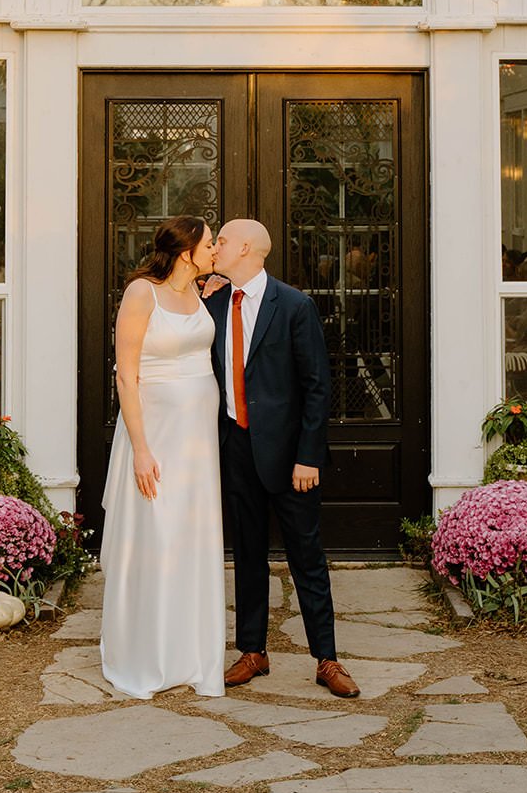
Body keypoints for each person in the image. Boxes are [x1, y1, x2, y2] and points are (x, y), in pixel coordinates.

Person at [204, 218, 360, 699]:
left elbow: (318, 387)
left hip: (291, 460)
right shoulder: (209, 303)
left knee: (306, 558)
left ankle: (327, 659)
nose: (216, 248)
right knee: (247, 555)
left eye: (223, 241)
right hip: (234, 450)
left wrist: (308, 456)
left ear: (247, 247)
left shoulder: (294, 305)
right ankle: (252, 651)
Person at [99, 215, 225, 699]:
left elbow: (240, 275)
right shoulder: (140, 294)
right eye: (209, 244)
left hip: (198, 443)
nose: (215, 250)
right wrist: (142, 450)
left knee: (192, 538)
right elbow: (126, 376)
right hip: (156, 436)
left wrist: (214, 277)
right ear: (186, 249)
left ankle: (190, 654)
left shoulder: (202, 290)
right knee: (157, 535)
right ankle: (146, 651)